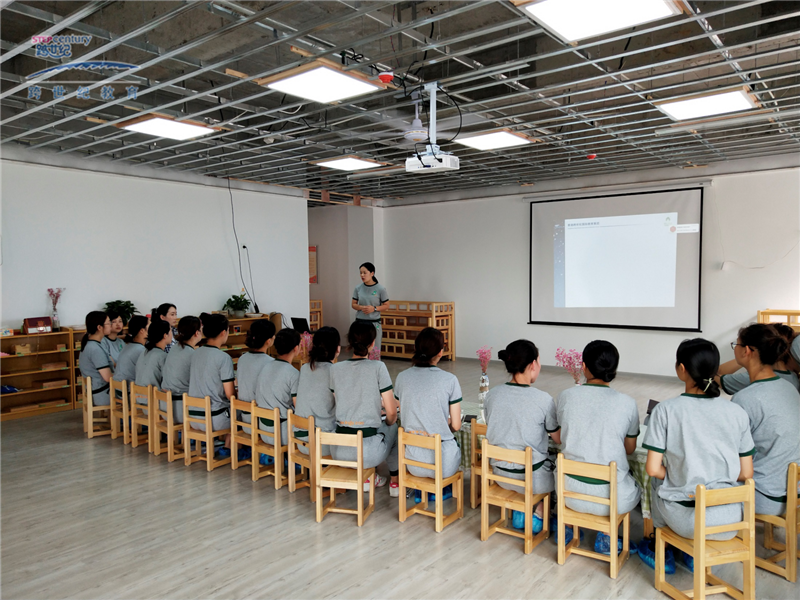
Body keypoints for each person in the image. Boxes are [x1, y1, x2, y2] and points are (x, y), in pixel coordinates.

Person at [640, 339, 755, 571]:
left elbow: (653, 469)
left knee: (654, 479)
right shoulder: (737, 412)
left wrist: (678, 473)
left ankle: (662, 549)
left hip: (688, 523)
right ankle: (693, 555)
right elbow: (746, 473)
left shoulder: (665, 411)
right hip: (730, 520)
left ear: (681, 369)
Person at [556, 340, 641, 554]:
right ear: (614, 369)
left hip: (569, 494)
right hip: (612, 499)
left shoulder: (566, 396)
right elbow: (630, 449)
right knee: (634, 482)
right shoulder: (627, 403)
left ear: (583, 367)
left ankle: (566, 527)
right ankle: (607, 536)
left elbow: (561, 436)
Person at [484, 339, 560, 533]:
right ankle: (539, 515)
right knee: (557, 463)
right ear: (533, 364)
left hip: (500, 474)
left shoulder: (492, 394)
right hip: (531, 479)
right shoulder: (543, 399)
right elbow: (558, 439)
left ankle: (519, 511)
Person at [730, 324, 800, 517]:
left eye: (736, 345)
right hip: (795, 493)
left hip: (765, 496)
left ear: (747, 351)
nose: (734, 348)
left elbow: (731, 452)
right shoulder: (790, 387)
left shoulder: (745, 398)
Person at [330, 320, 398, 495]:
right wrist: (388, 420)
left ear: (350, 341)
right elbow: (391, 412)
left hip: (338, 449)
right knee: (394, 428)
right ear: (373, 343)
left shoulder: (335, 368)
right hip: (366, 451)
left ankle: (368, 476)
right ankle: (394, 483)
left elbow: (337, 400)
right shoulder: (378, 367)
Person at [395, 327, 462, 480]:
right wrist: (445, 426)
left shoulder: (402, 377)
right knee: (455, 445)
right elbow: (457, 426)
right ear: (440, 352)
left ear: (416, 348)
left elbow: (401, 407)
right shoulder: (449, 380)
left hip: (413, 463)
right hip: (443, 465)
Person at [187, 313, 234, 452]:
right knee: (241, 414)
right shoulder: (223, 358)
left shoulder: (195, 353)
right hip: (213, 419)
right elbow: (230, 394)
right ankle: (229, 450)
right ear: (224, 332)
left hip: (193, 416)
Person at [294, 326, 340, 457]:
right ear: (337, 349)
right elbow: (345, 404)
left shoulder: (304, 368)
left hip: (300, 438)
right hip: (321, 443)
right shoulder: (334, 371)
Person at [717, 323, 799, 393]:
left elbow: (714, 375)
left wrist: (749, 356)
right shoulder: (793, 378)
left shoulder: (757, 378)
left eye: (737, 344)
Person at [254, 328, 300, 445]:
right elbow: (299, 407)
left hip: (263, 430)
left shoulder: (265, 367)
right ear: (296, 348)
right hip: (282, 433)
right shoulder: (293, 374)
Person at [237, 320, 276, 439]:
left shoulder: (242, 359)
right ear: (269, 341)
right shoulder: (270, 363)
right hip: (263, 423)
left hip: (246, 420)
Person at [161, 316, 202, 424]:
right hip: (180, 410)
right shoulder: (192, 354)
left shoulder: (174, 348)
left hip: (164, 406)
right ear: (197, 333)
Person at [132, 320, 172, 416]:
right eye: (170, 331)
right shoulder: (161, 356)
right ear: (165, 335)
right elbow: (168, 380)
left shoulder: (145, 352)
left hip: (140, 399)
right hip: (153, 402)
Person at [351, 262, 389, 359]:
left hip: (374, 324)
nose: (362, 275)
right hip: (360, 323)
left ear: (372, 273)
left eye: (364, 273)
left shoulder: (380, 289)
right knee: (359, 349)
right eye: (360, 273)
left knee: (374, 350)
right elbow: (353, 304)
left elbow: (386, 305)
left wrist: (374, 308)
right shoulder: (358, 288)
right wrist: (361, 307)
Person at [79, 311, 112, 406]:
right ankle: (125, 420)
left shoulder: (91, 343)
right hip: (102, 394)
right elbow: (108, 377)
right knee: (133, 391)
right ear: (99, 327)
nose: (111, 325)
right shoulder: (95, 349)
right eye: (109, 323)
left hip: (97, 390)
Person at [112, 315, 148, 389]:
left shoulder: (129, 346)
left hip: (118, 390)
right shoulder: (140, 350)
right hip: (128, 393)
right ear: (142, 331)